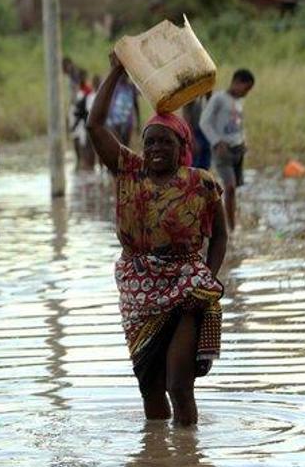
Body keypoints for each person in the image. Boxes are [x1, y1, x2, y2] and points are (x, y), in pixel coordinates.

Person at [87, 54, 228, 427]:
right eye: (149, 143)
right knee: (150, 388)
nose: (155, 150)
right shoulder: (130, 172)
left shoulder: (201, 183)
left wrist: (208, 280)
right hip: (138, 290)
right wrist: (117, 70)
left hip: (186, 285)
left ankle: (187, 451)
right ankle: (159, 453)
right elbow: (96, 123)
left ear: (181, 147)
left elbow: (220, 235)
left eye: (165, 143)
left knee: (179, 386)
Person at [200, 69, 255, 231]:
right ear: (237, 82)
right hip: (223, 151)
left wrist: (243, 140)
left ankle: (231, 221)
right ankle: (228, 227)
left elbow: (239, 124)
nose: (246, 93)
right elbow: (205, 121)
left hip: (237, 149)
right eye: (246, 88)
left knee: (234, 189)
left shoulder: (239, 101)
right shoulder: (218, 98)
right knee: (229, 187)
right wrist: (216, 142)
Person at [106, 71, 141, 147]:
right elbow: (108, 104)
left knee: (125, 148)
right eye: (122, 74)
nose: (123, 76)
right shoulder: (113, 86)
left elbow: (136, 106)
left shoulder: (131, 88)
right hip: (114, 123)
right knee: (117, 146)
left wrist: (138, 123)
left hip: (128, 123)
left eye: (125, 74)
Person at [183, 92, 211, 169]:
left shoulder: (207, 96)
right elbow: (187, 119)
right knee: (196, 166)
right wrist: (192, 139)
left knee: (205, 166)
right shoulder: (191, 98)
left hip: (206, 134)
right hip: (196, 133)